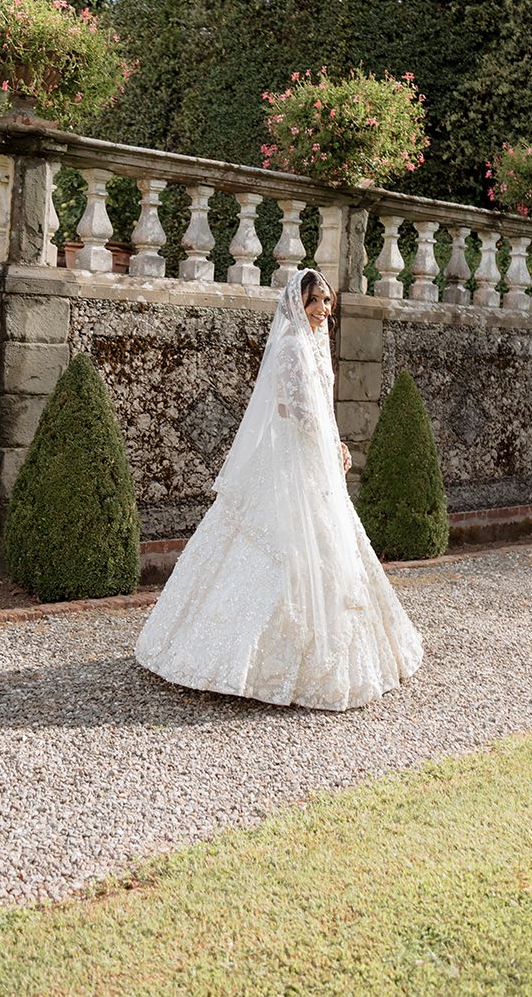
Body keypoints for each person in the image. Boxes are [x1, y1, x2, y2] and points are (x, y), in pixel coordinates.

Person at [134, 267, 424, 710]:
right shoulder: (291, 346)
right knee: (273, 544)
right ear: (297, 303)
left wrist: (337, 443)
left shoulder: (315, 343)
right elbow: (296, 412)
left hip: (315, 456)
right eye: (315, 301)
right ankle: (233, 661)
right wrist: (328, 446)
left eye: (327, 302)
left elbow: (321, 410)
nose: (323, 310)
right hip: (294, 461)